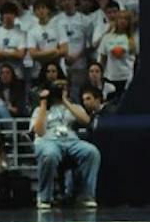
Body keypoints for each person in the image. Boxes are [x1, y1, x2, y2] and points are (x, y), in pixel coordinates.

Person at [30, 73, 100, 210]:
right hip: (48, 140)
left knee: (92, 152)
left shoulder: (74, 107)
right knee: (50, 154)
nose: (59, 90)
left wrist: (65, 101)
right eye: (57, 88)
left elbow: (86, 120)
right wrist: (43, 103)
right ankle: (44, 198)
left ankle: (86, 196)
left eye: (63, 88)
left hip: (71, 140)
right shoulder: (39, 110)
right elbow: (39, 131)